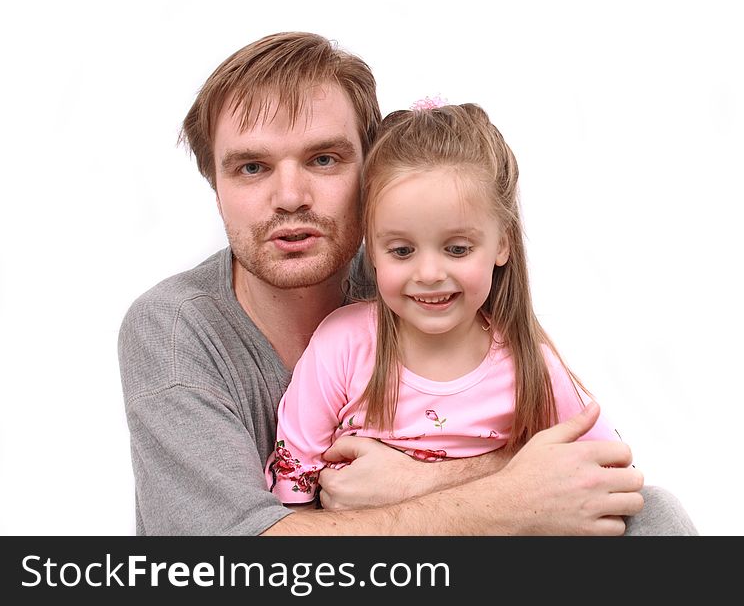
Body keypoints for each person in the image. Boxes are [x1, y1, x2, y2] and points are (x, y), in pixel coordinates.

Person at [118, 31, 697, 535]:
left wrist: (418, 481)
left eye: (323, 159)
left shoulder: (421, 283)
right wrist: (496, 496)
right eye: (252, 167)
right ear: (213, 185)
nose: (290, 197)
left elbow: (586, 464)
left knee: (652, 517)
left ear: (373, 173)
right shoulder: (175, 331)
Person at [266, 100, 624, 506]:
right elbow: (291, 489)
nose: (430, 273)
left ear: (502, 243)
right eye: (402, 251)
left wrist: (428, 480)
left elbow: (611, 471)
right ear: (372, 243)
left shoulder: (530, 366)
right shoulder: (342, 346)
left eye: (456, 249)